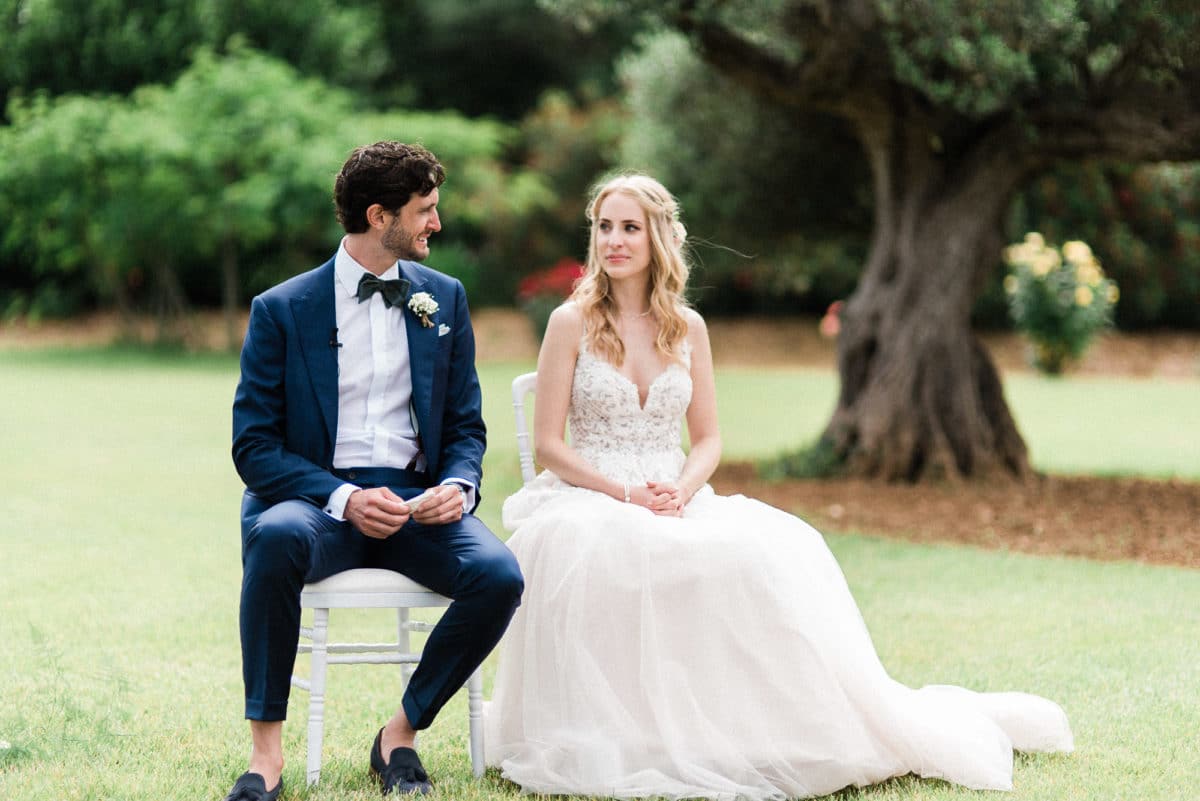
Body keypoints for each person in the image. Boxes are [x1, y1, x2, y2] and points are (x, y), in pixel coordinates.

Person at [484, 173, 1073, 799]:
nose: (614, 241)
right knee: (604, 551)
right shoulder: (569, 322)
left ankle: (730, 729)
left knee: (773, 551)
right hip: (589, 495)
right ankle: (622, 731)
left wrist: (680, 491)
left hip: (674, 492)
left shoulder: (687, 328)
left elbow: (707, 438)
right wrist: (623, 495)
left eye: (630, 227)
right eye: (604, 227)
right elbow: (549, 445)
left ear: (658, 238)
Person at [228, 141, 523, 801]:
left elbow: (466, 425)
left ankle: (399, 735)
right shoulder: (281, 309)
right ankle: (265, 757)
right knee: (275, 538)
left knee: (499, 575)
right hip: (315, 500)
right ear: (377, 214)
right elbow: (254, 445)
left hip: (419, 502)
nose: (436, 225)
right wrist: (343, 497)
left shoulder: (444, 298)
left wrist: (459, 484)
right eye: (425, 211)